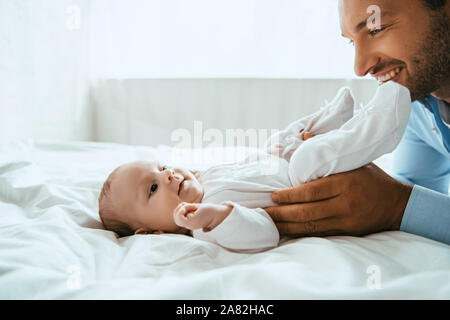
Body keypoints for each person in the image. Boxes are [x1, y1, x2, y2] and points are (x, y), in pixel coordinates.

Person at [98, 82, 411, 251]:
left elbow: (248, 168)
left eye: (162, 167)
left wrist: (270, 155)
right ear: (151, 231)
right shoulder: (205, 228)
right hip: (301, 184)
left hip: (279, 166)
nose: (167, 175)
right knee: (306, 158)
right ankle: (379, 126)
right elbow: (263, 234)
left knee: (276, 143)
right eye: (153, 188)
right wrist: (216, 218)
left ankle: (328, 121)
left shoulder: (205, 178)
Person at [264, 0, 450, 245]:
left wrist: (394, 205)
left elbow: (403, 204)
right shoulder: (419, 103)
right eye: (353, 41)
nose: (361, 67)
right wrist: (340, 165)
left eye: (376, 29)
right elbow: (419, 194)